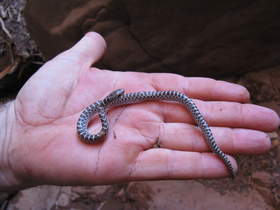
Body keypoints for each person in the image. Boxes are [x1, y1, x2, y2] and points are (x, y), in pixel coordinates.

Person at [0, 32, 279, 192]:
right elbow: (101, 118)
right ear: (113, 100)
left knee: (185, 101)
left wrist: (11, 135)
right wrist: (12, 135)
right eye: (117, 97)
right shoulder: (99, 117)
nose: (121, 96)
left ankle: (216, 148)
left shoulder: (103, 108)